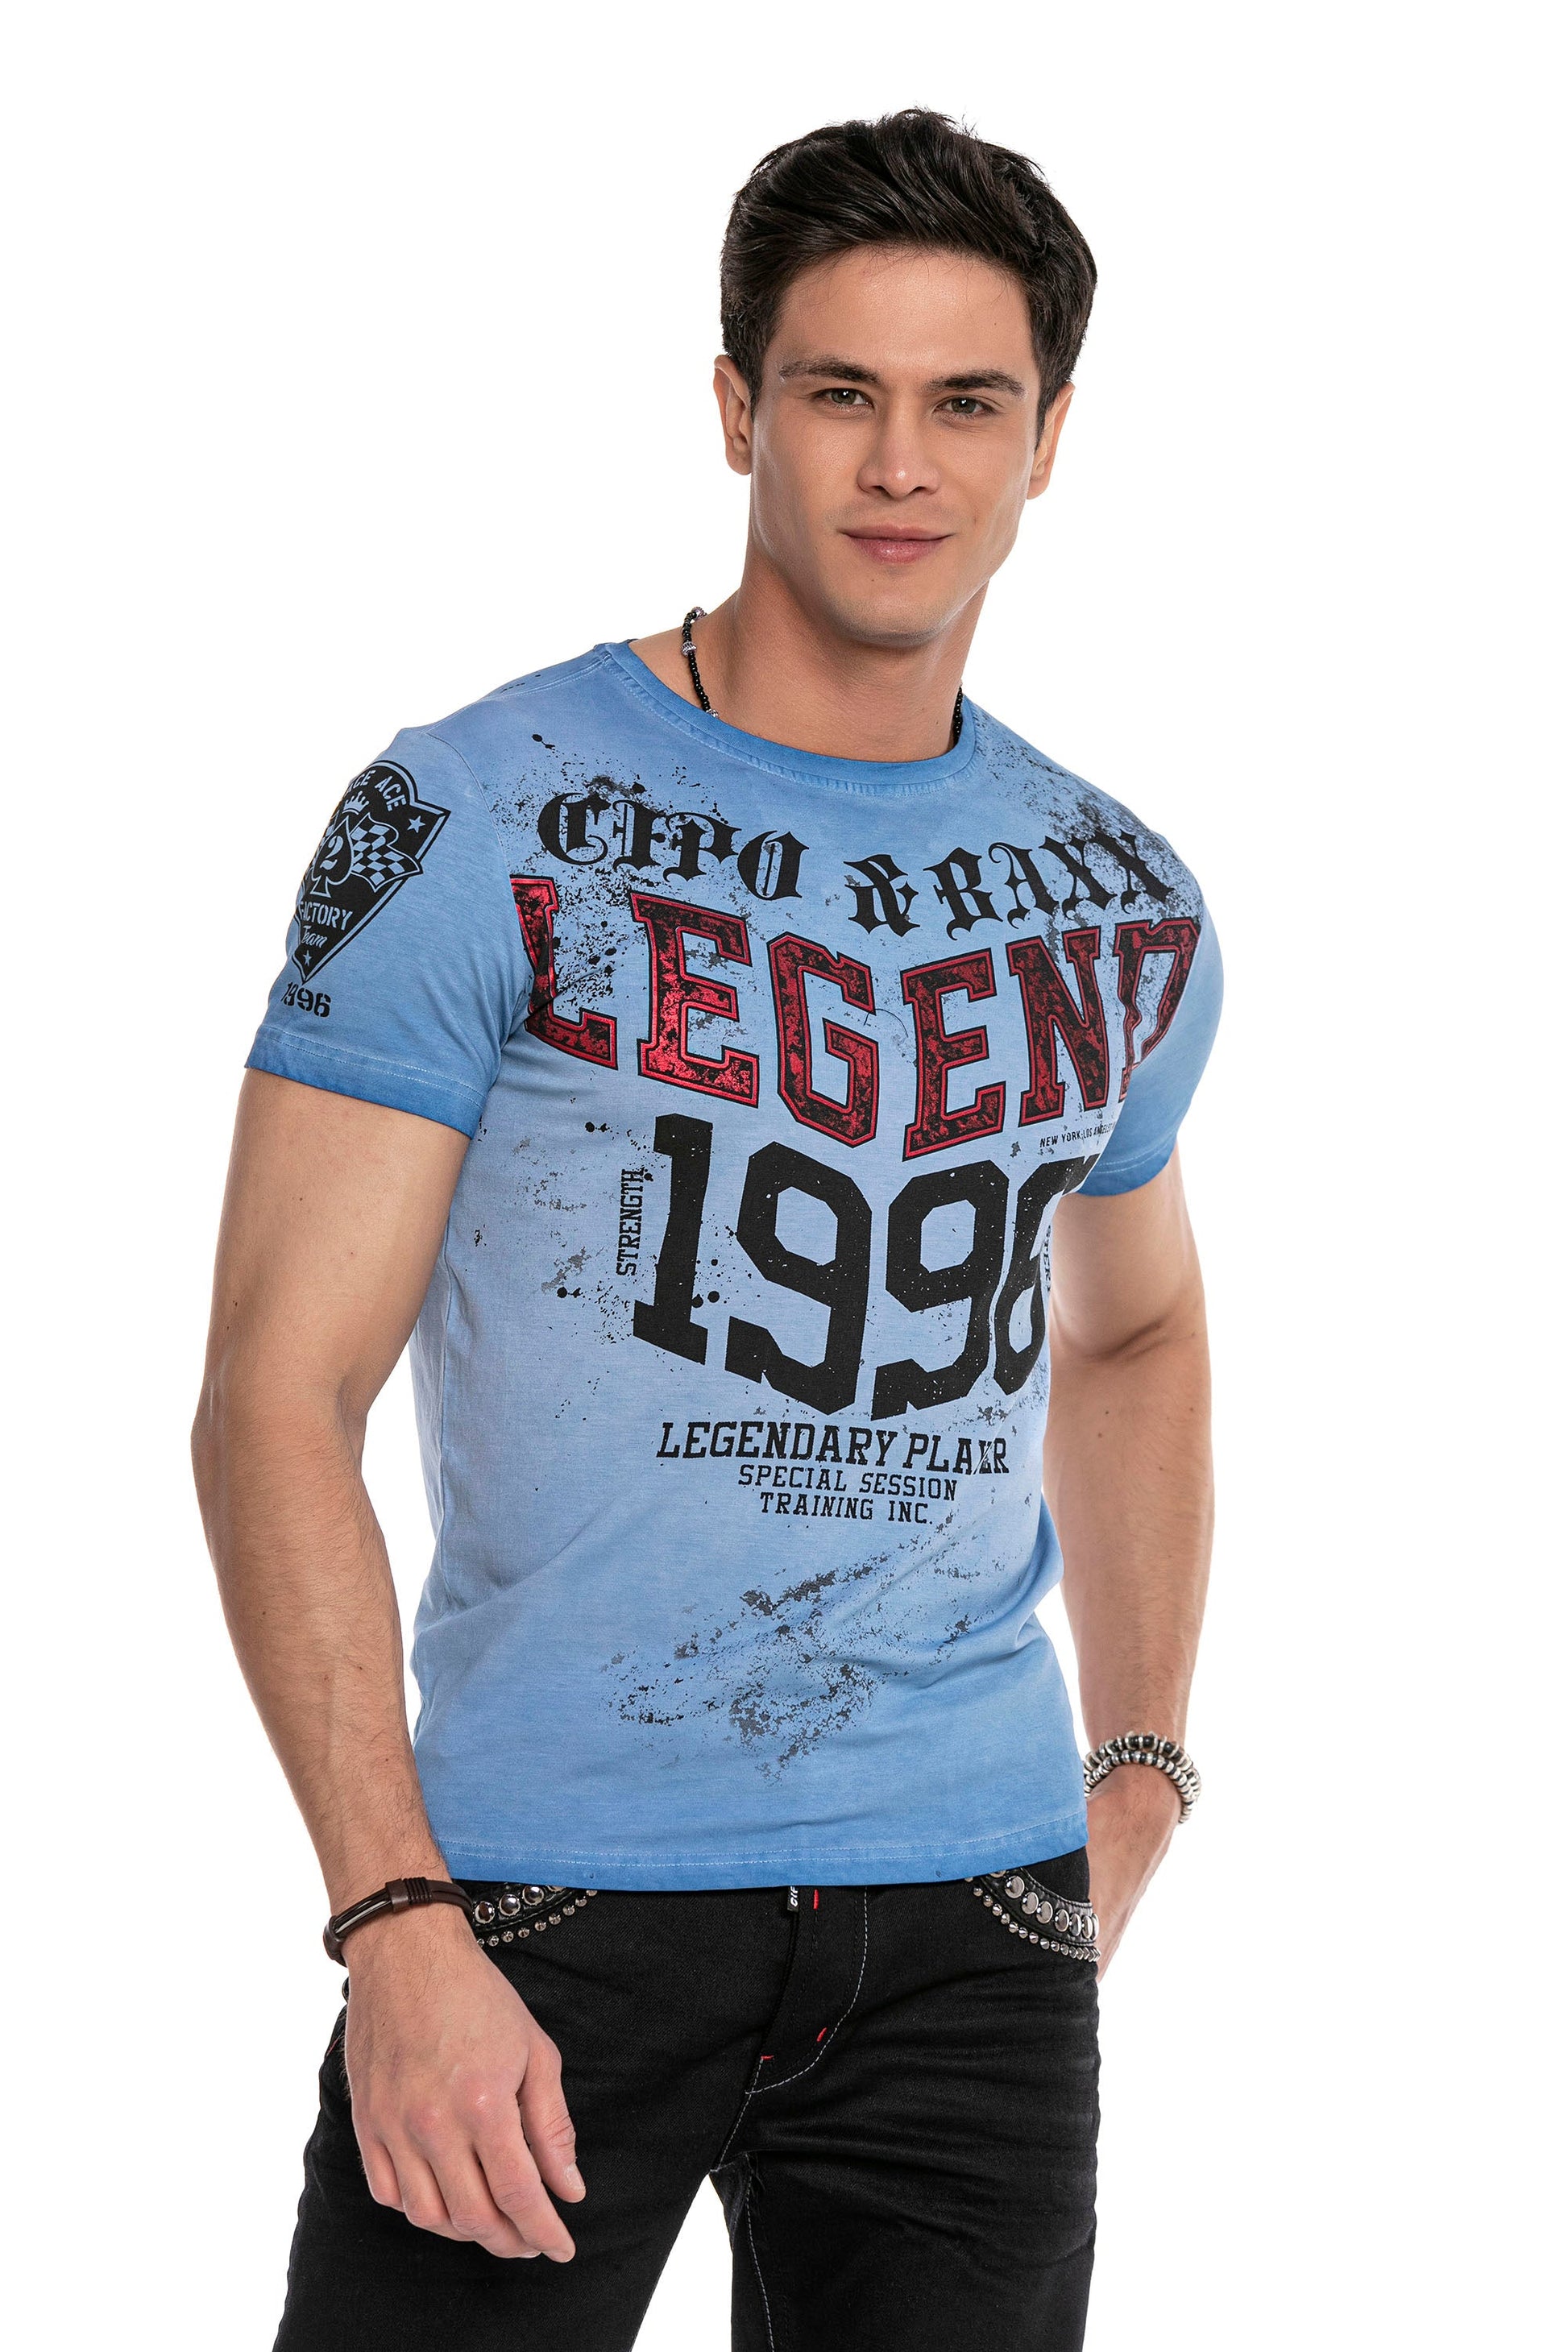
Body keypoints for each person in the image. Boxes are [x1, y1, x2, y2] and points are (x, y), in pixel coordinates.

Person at [193, 107, 1221, 2352]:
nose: (901, 464)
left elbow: (1132, 1334)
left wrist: (1136, 1767)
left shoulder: (1117, 896)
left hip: (971, 1924)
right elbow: (277, 1389)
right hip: (543, 1910)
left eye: (969, 401)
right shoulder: (478, 815)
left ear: (1049, 438)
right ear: (739, 407)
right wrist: (391, 1915)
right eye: (840, 391)